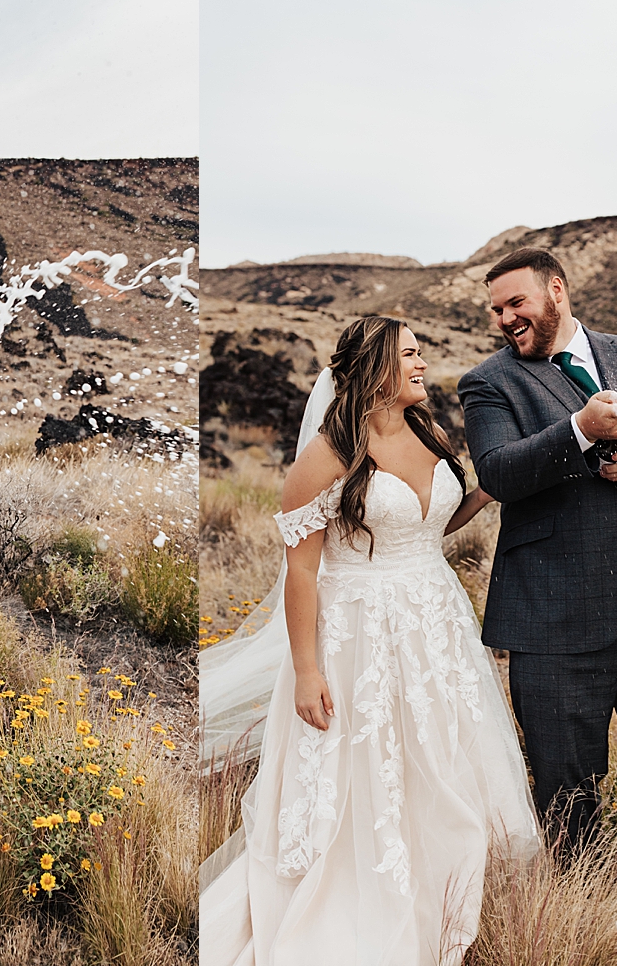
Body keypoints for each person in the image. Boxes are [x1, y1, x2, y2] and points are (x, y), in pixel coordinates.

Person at [199, 315, 539, 966]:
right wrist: (305, 670)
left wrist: (488, 492)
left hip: (435, 624)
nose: (423, 362)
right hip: (358, 634)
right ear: (377, 366)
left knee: (446, 762)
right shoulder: (326, 455)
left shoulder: (426, 430)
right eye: (411, 352)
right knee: (375, 771)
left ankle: (448, 897)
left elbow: (428, 523)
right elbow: (301, 569)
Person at [456, 246, 617, 961]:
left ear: (556, 289)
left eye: (517, 303)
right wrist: (582, 431)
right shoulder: (488, 383)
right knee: (569, 801)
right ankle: (589, 939)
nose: (506, 318)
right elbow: (498, 473)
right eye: (496, 310)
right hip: (553, 626)